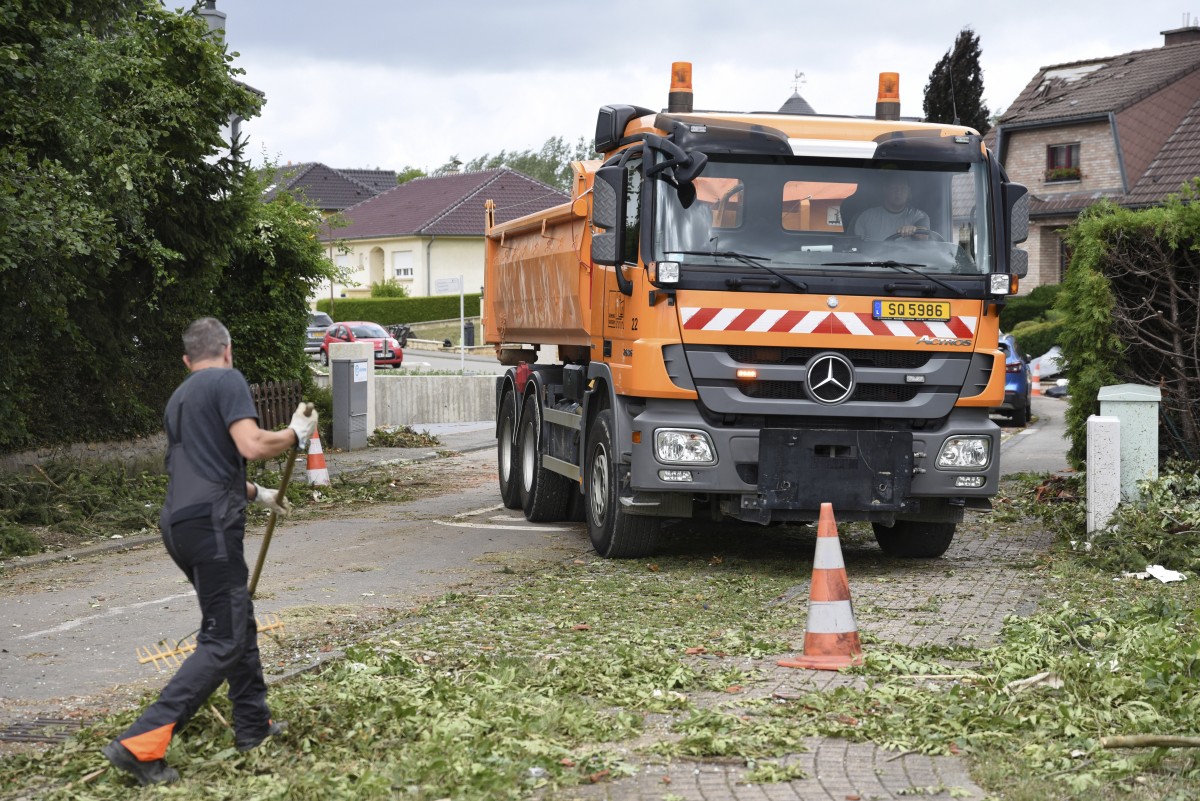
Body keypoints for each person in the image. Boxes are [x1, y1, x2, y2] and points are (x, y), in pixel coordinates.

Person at [102, 317, 318, 786]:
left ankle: (252, 727)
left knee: (236, 619)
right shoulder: (228, 379)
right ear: (228, 350)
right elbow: (252, 443)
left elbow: (205, 467)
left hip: (179, 524)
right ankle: (141, 743)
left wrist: (256, 492)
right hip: (211, 526)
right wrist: (293, 435)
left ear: (186, 360)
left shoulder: (179, 398)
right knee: (222, 638)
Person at [853, 173, 930, 241]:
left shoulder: (919, 215)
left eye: (903, 188)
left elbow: (924, 236)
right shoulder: (866, 216)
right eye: (894, 188)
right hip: (872, 257)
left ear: (909, 192)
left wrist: (914, 230)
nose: (898, 192)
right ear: (885, 190)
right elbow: (854, 246)